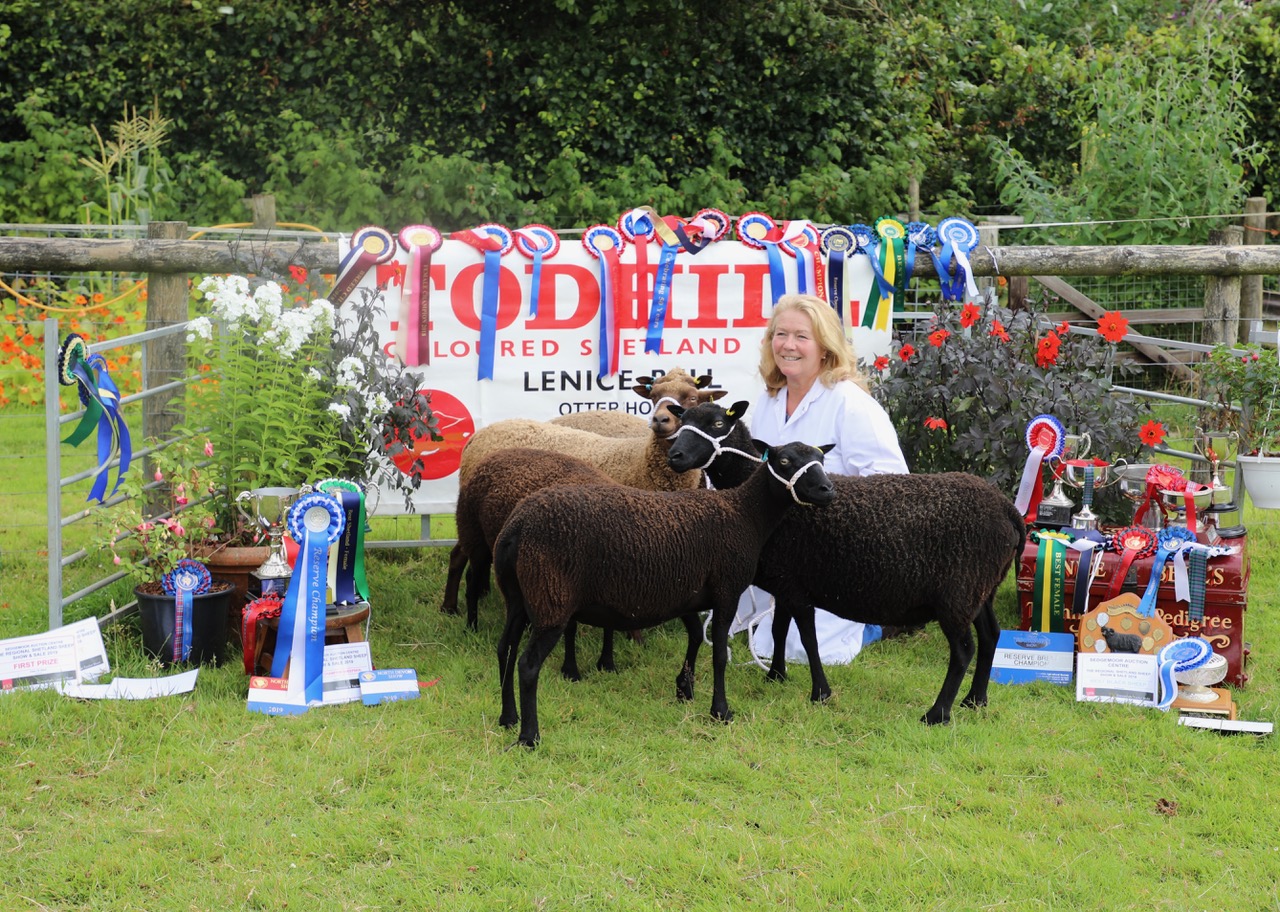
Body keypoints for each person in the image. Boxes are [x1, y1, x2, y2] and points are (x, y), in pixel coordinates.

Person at [736, 292, 909, 666]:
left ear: (825, 347)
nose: (788, 345)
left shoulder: (850, 402)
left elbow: (892, 484)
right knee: (749, 628)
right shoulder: (769, 398)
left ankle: (882, 621)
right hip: (779, 548)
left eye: (802, 337)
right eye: (781, 335)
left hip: (835, 549)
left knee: (814, 650)